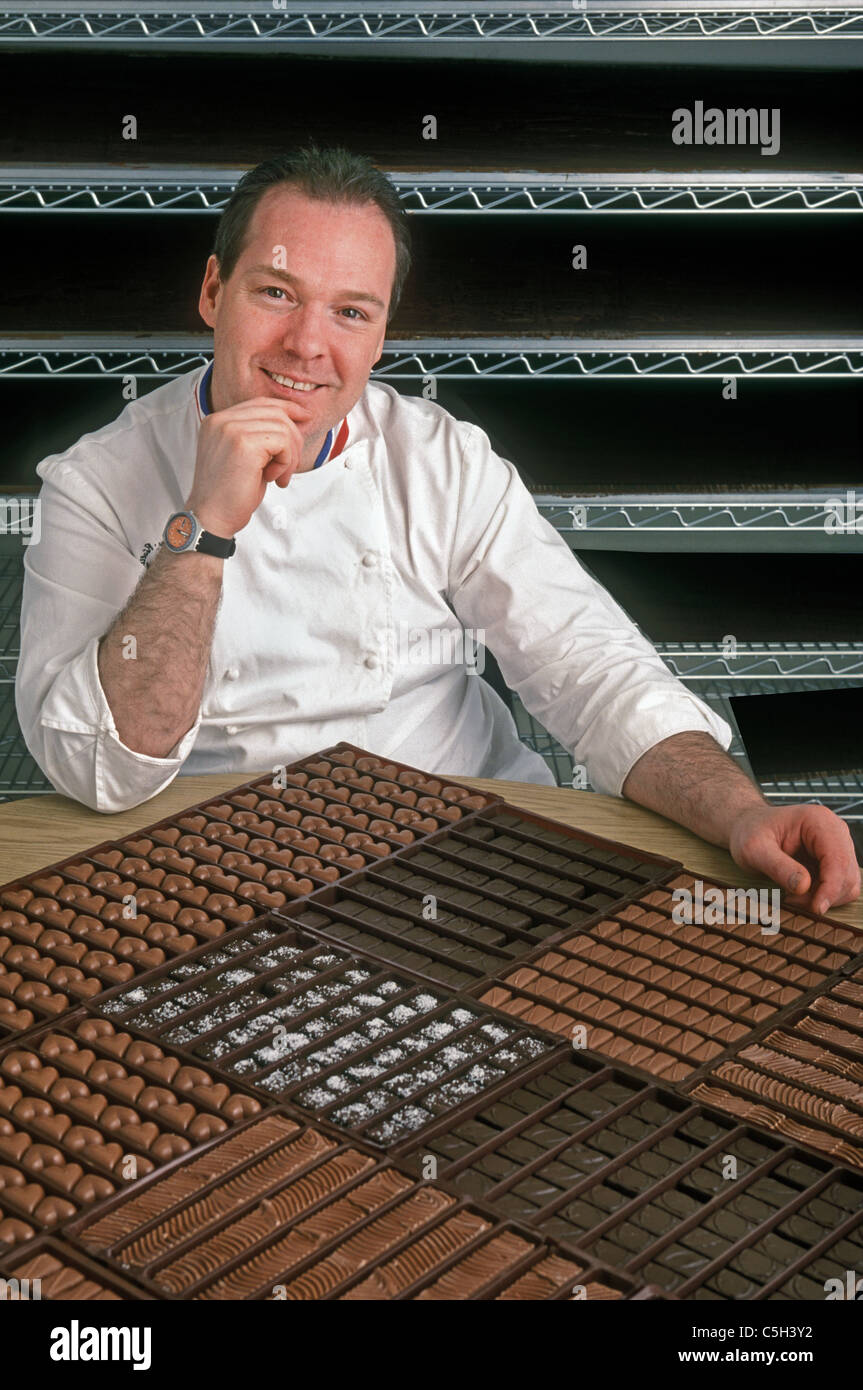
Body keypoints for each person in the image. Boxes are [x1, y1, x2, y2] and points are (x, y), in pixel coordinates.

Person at [16, 146, 860, 919]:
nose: (308, 344)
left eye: (351, 311)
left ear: (381, 334)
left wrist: (742, 811)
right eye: (276, 293)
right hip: (225, 883)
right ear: (212, 292)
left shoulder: (440, 459)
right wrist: (202, 533)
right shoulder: (96, 483)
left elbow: (591, 671)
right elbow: (100, 770)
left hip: (466, 853)